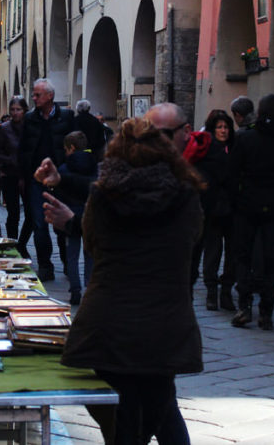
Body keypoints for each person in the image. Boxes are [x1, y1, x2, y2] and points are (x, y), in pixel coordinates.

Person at [44, 117, 203, 444]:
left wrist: (74, 222)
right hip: (165, 321)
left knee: (121, 417)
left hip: (110, 322)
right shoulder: (186, 196)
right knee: (161, 405)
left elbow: (93, 246)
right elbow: (191, 243)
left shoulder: (104, 196)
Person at [227, 94, 274, 330]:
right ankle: (266, 312)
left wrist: (236, 201)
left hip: (247, 205)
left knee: (243, 257)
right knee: (272, 261)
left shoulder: (245, 140)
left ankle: (244, 305)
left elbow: (231, 174)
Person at [18, 78, 76, 281]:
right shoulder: (30, 118)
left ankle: (68, 263)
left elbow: (74, 144)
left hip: (60, 178)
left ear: (50, 96)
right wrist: (24, 174)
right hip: (36, 178)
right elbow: (24, 148)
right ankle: (45, 265)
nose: (34, 98)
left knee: (62, 223)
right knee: (39, 224)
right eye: (34, 94)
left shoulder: (67, 117)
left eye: (37, 95)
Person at [55, 131, 98, 305]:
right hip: (90, 215)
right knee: (90, 255)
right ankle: (90, 288)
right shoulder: (95, 165)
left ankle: (75, 291)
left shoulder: (64, 168)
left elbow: (60, 193)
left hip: (71, 215)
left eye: (66, 149)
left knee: (71, 255)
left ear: (71, 148)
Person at [201, 109, 236, 311]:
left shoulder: (235, 148)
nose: (223, 131)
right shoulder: (208, 151)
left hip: (233, 208)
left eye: (226, 127)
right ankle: (212, 291)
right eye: (219, 127)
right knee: (213, 252)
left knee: (232, 252)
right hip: (214, 208)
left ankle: (226, 291)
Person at [0, 96, 29, 245]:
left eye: (18, 109)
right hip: (10, 175)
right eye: (12, 109)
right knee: (13, 213)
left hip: (27, 176)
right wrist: (9, 160)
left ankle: (22, 244)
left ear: (24, 110)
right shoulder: (4, 129)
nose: (15, 113)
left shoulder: (30, 127)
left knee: (32, 215)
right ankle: (13, 242)